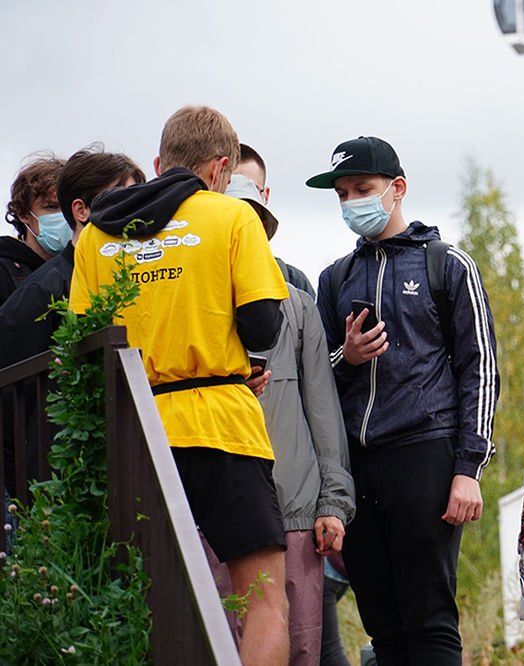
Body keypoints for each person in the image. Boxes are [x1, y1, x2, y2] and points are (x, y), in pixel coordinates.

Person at [69, 105, 291, 665]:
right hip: (222, 424)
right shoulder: (232, 218)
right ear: (220, 169)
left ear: (158, 162)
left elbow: (79, 342)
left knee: (139, 598)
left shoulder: (97, 234)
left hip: (136, 431)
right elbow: (265, 324)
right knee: (263, 601)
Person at [309, 135, 499, 665]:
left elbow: (480, 369)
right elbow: (316, 381)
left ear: (397, 189)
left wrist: (468, 469)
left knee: (430, 620)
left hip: (425, 454)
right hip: (357, 466)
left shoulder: (448, 265)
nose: (351, 202)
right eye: (342, 193)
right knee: (382, 627)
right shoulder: (334, 279)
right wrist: (345, 357)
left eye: (362, 189)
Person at [224, 173, 356, 665]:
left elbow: (324, 412)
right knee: (223, 640)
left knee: (302, 647)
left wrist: (333, 504)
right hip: (221, 508)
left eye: (253, 224)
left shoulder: (297, 305)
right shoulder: (195, 307)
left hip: (297, 512)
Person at [0, 145, 144, 495]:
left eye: (137, 199)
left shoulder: (139, 277)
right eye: (119, 198)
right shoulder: (40, 292)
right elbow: (14, 403)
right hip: (64, 486)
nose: (133, 211)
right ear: (80, 210)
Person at [235, 143, 314, 297]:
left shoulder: (293, 281)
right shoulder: (194, 274)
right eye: (230, 188)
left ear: (265, 196)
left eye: (251, 189)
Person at [1, 153, 67, 305]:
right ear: (23, 213)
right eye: (52, 207)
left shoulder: (85, 270)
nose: (63, 217)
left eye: (67, 207)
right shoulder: (5, 271)